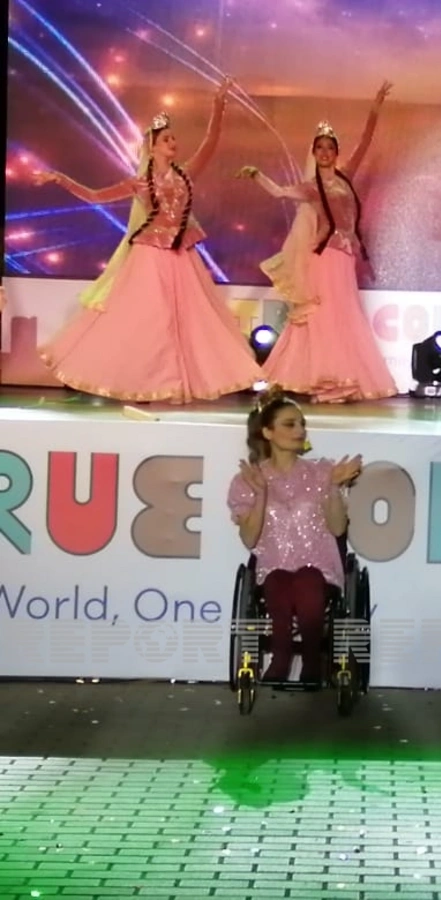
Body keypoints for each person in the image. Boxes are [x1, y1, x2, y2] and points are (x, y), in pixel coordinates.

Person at [33, 78, 263, 403]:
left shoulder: (184, 174)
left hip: (180, 255)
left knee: (187, 321)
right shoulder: (139, 182)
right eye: (166, 139)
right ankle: (142, 381)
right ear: (152, 146)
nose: (173, 143)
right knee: (150, 321)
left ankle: (174, 383)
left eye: (174, 138)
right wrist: (60, 178)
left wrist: (218, 105)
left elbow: (210, 143)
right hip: (149, 255)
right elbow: (95, 196)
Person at [236, 82, 398, 403]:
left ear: (336, 152)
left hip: (344, 257)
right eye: (319, 148)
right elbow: (280, 192)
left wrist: (375, 108)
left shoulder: (345, 176)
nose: (325, 153)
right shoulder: (311, 187)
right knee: (325, 316)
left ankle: (339, 375)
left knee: (344, 316)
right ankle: (325, 378)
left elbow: (365, 142)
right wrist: (257, 175)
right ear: (314, 153)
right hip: (324, 257)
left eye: (330, 148)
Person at [227, 385, 363, 685]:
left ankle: (312, 661)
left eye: (302, 424)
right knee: (277, 580)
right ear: (268, 432)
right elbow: (249, 540)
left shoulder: (322, 472)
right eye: (290, 424)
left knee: (307, 578)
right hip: (273, 567)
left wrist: (333, 486)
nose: (300, 430)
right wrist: (261, 493)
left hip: (319, 568)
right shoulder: (248, 479)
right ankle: (281, 658)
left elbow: (338, 529)